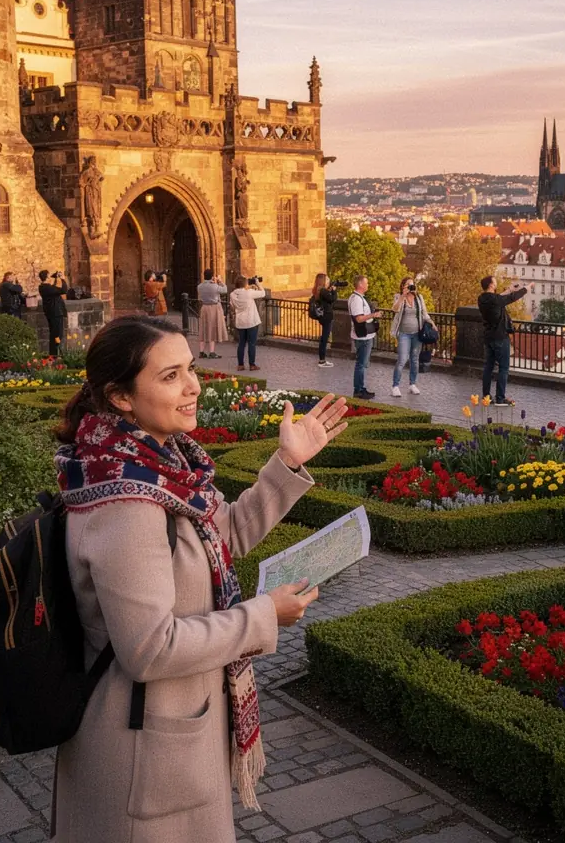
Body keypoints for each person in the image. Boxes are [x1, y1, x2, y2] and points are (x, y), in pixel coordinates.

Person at [51, 316, 350, 842]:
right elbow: (149, 648)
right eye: (170, 376)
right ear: (121, 397)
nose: (193, 386)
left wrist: (288, 461)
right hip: (139, 752)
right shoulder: (127, 499)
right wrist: (263, 616)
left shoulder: (161, 465)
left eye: (190, 368)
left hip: (169, 730)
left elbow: (225, 531)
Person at [476, 275, 531, 406]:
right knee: (503, 368)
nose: (496, 283)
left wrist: (509, 289)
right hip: (500, 336)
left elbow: (498, 299)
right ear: (491, 285)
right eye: (494, 281)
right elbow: (510, 299)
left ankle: (486, 397)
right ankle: (500, 398)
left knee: (488, 367)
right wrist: (526, 289)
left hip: (488, 337)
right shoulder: (495, 300)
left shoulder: (482, 299)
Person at [390, 277, 436, 397]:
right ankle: (395, 386)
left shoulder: (419, 298)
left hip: (417, 333)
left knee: (415, 359)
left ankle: (412, 384)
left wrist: (432, 322)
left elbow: (424, 313)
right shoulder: (398, 297)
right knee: (402, 359)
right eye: (408, 285)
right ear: (403, 286)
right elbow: (395, 309)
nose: (411, 287)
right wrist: (402, 296)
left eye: (412, 285)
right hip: (404, 334)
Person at [348, 274, 382, 400]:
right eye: (366, 283)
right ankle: (358, 390)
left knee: (361, 363)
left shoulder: (356, 297)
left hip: (363, 335)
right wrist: (374, 315)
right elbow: (359, 318)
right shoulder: (356, 299)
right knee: (361, 364)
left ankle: (360, 388)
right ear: (361, 285)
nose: (368, 285)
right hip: (363, 337)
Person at [230, 277, 265, 371]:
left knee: (241, 343)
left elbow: (232, 307)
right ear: (245, 284)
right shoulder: (249, 292)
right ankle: (252, 365)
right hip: (251, 321)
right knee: (251, 344)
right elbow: (263, 293)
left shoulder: (232, 295)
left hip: (240, 322)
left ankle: (240, 365)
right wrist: (257, 283)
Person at [196, 269, 227, 358]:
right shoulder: (215, 286)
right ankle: (212, 352)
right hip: (214, 308)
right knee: (212, 329)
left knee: (203, 329)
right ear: (212, 276)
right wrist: (220, 281)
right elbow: (225, 290)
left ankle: (201, 352)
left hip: (204, 307)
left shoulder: (199, 286)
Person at [38, 269, 68, 357]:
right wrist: (62, 279)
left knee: (54, 334)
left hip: (51, 312)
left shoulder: (43, 287)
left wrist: (55, 278)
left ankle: (53, 354)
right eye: (49, 275)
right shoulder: (48, 288)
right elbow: (63, 290)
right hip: (56, 313)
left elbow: (55, 290)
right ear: (47, 277)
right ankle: (55, 354)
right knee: (57, 334)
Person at [311, 273, 338, 368]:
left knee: (323, 338)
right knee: (324, 339)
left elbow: (325, 299)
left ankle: (322, 359)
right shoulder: (323, 290)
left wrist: (329, 291)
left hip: (322, 317)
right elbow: (332, 299)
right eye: (327, 280)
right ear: (322, 281)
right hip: (327, 317)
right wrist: (334, 291)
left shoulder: (318, 290)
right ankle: (322, 361)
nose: (328, 282)